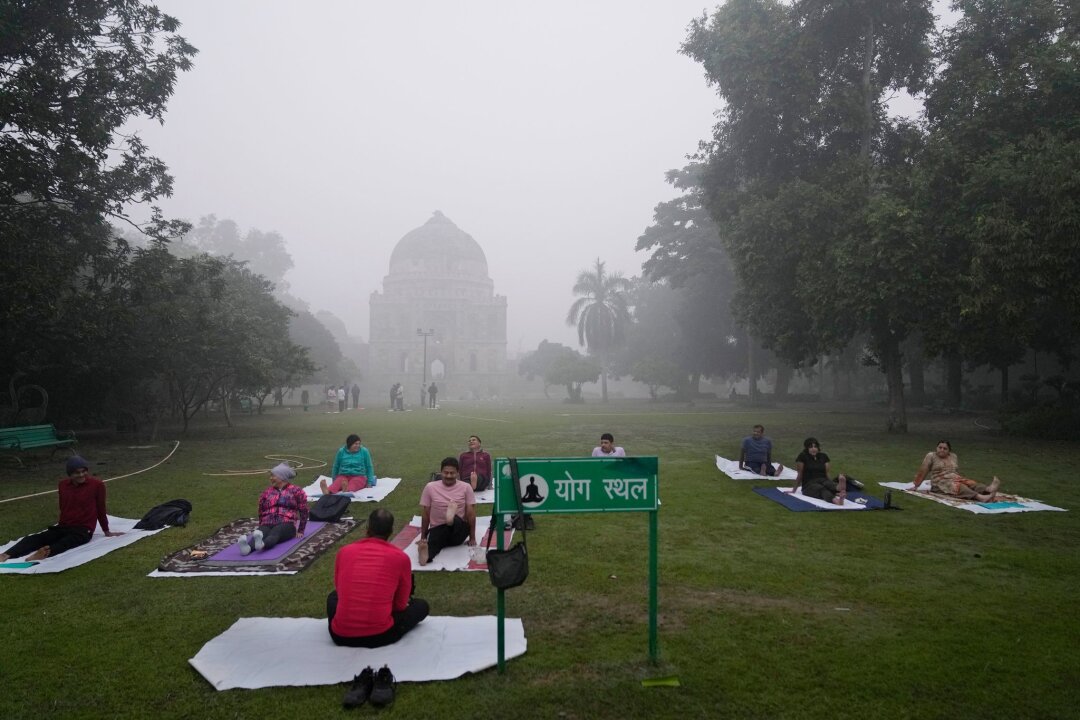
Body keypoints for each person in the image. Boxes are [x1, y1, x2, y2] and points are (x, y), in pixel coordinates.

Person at [327, 509, 429, 647]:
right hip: (380, 635)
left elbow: (340, 589)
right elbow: (400, 605)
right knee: (421, 606)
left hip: (340, 636)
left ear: (368, 528)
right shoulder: (400, 558)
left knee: (333, 598)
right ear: (391, 531)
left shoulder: (344, 551)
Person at [0, 456, 124, 562]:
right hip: (64, 525)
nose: (81, 475)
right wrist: (62, 525)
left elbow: (101, 508)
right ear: (70, 474)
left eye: (83, 471)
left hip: (83, 529)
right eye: (77, 472)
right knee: (36, 538)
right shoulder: (63, 485)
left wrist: (106, 530)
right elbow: (63, 506)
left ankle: (45, 552)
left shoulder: (97, 485)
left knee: (67, 542)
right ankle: (8, 554)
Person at [237, 463, 309, 555]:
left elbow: (304, 510)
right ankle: (247, 548)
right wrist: (261, 525)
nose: (270, 478)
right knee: (260, 532)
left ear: (282, 477)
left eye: (273, 475)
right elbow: (261, 510)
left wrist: (301, 530)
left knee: (276, 532)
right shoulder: (267, 492)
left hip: (287, 524)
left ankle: (263, 544)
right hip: (268, 522)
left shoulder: (296, 491)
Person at [417, 457, 476, 565]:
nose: (449, 476)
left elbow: (471, 514)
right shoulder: (430, 487)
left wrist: (472, 537)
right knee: (433, 543)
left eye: (452, 473)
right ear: (441, 472)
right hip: (439, 529)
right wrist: (423, 537)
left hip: (459, 531)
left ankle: (451, 518)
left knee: (457, 522)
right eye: (446, 473)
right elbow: (426, 513)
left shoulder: (466, 487)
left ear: (458, 473)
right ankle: (426, 557)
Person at [911, 440, 1001, 501]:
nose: (942, 450)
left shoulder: (953, 456)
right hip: (939, 483)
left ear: (949, 450)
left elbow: (955, 471)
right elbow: (923, 471)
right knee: (960, 487)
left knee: (971, 483)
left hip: (954, 478)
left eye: (945, 448)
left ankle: (988, 489)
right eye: (940, 447)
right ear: (936, 448)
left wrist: (960, 480)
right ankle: (981, 497)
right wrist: (916, 485)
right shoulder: (931, 456)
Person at [786, 437, 852, 505]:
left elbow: (827, 473)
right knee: (821, 489)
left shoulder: (823, 456)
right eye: (811, 447)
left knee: (828, 484)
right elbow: (800, 474)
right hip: (809, 484)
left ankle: (839, 488)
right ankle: (837, 501)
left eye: (815, 447)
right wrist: (794, 490)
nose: (813, 449)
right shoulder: (802, 456)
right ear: (807, 448)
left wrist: (831, 483)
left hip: (823, 480)